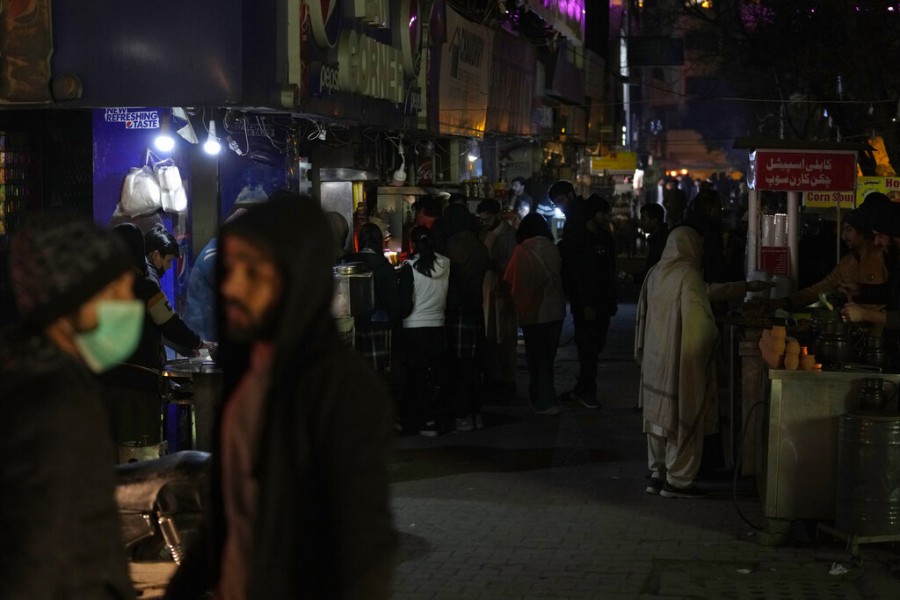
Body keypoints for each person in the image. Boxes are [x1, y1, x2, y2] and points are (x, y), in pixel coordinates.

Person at [165, 192, 397, 599]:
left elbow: (363, 543)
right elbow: (225, 521)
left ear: (295, 277)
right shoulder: (246, 373)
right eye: (230, 270)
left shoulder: (340, 387)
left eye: (252, 272)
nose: (233, 286)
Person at [1, 216, 140, 598]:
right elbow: (46, 550)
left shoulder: (27, 374)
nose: (130, 305)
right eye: (117, 293)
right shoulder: (58, 402)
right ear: (72, 301)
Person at [103, 223, 204, 451]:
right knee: (139, 450)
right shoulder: (145, 287)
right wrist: (197, 343)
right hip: (138, 385)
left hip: (106, 383)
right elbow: (168, 323)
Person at [634, 225, 718, 499]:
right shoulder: (688, 274)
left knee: (657, 419)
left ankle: (657, 474)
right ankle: (678, 480)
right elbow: (699, 324)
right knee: (681, 414)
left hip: (654, 359)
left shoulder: (656, 272)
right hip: (677, 359)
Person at [558, 195, 618, 409]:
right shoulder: (577, 240)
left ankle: (583, 387)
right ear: (593, 214)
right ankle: (587, 391)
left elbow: (610, 270)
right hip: (586, 304)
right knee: (587, 347)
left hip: (602, 303)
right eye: (603, 213)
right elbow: (573, 276)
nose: (606, 216)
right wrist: (583, 304)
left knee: (594, 347)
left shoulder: (605, 238)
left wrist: (612, 300)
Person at [504, 214, 566, 415]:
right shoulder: (552, 248)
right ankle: (545, 398)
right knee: (548, 357)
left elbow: (511, 279)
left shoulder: (521, 250)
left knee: (536, 358)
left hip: (534, 311)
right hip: (556, 310)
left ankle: (543, 401)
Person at [439, 202, 489, 431]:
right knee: (473, 364)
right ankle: (476, 413)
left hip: (458, 310)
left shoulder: (455, 245)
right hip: (474, 309)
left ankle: (463, 415)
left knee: (460, 366)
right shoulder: (477, 243)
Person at [777, 209, 887, 311]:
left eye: (849, 230)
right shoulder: (847, 262)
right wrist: (785, 302)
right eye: (843, 230)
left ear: (863, 232)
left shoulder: (883, 258)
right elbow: (822, 287)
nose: (843, 236)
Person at [401, 226, 451, 436]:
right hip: (438, 326)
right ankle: (438, 418)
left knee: (417, 377)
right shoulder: (446, 263)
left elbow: (404, 303)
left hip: (414, 328)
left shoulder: (409, 267)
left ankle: (424, 421)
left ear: (413, 243)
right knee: (436, 375)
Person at [342, 222, 403, 374]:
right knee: (377, 376)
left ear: (359, 240)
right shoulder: (385, 267)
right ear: (379, 242)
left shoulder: (346, 262)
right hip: (378, 329)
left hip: (349, 329)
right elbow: (394, 304)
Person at [477, 198, 518, 394]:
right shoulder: (484, 232)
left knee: (505, 337)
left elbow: (510, 264)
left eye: (487, 219)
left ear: (498, 215)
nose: (484, 222)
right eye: (482, 220)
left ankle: (507, 381)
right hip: (486, 289)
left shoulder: (508, 234)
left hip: (502, 290)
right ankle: (493, 378)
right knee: (489, 336)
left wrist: (492, 264)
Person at [639, 201, 669, 276]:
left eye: (643, 219)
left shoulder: (660, 241)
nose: (641, 223)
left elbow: (653, 270)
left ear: (654, 220)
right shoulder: (659, 238)